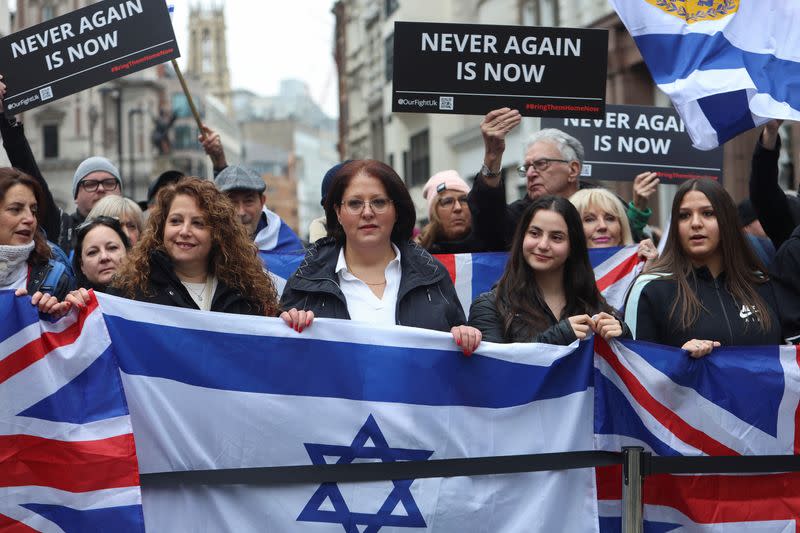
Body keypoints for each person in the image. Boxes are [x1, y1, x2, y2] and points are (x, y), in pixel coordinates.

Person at [280, 159, 482, 355]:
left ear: (396, 211)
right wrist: (288, 324)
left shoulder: (433, 275)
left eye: (378, 202)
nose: (367, 212)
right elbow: (279, 362)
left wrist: (465, 336)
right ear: (338, 212)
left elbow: (456, 355)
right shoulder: (305, 282)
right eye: (355, 203)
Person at [625, 179, 782, 357]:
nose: (696, 223)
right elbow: (636, 372)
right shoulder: (650, 289)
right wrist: (679, 359)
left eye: (708, 213)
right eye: (684, 216)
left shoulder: (762, 283)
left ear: (727, 221)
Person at [470, 108, 656, 248]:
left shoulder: (604, 202)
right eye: (526, 167)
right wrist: (493, 158)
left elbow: (628, 245)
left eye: (541, 164)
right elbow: (487, 226)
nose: (530, 173)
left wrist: (637, 211)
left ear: (573, 169)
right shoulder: (519, 217)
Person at [468, 196, 628, 344]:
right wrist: (558, 337)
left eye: (556, 237)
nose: (543, 245)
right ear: (522, 237)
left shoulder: (593, 303)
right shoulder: (489, 306)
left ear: (573, 246)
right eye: (534, 233)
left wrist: (623, 334)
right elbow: (495, 370)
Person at [111, 177, 279, 316]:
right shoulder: (130, 291)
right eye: (175, 221)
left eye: (198, 223)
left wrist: (291, 320)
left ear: (217, 234)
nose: (184, 231)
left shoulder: (247, 293)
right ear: (162, 227)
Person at [0, 168, 74, 313]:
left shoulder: (56, 277)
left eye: (33, 211)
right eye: (16, 209)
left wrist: (53, 316)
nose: (29, 219)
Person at [214, 165, 303, 253]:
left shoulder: (289, 247)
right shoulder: (209, 241)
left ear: (262, 201)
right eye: (232, 203)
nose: (241, 212)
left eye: (248, 201)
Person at [417, 169, 504, 253]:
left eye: (463, 200)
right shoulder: (419, 256)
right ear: (434, 213)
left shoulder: (492, 242)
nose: (458, 208)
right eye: (448, 202)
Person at [569, 188, 658, 268]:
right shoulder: (559, 275)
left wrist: (647, 274)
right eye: (589, 219)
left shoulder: (641, 270)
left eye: (610, 218)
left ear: (622, 229)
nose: (602, 226)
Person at [71, 216, 130, 293]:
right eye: (92, 252)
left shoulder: (149, 295)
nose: (104, 257)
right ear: (82, 265)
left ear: (128, 253)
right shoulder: (75, 303)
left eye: (112, 248)